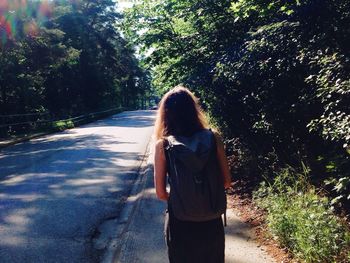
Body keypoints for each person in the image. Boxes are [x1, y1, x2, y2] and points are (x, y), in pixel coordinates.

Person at [153, 85, 231, 263]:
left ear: (166, 114)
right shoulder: (214, 138)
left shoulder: (163, 146)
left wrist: (184, 197)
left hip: (180, 221)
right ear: (194, 110)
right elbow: (226, 181)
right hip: (211, 217)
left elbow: (160, 193)